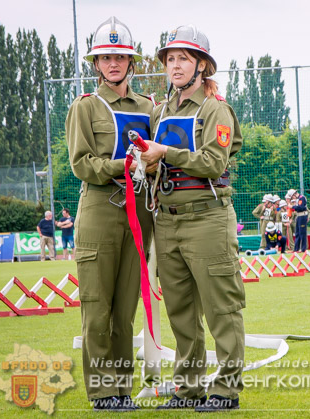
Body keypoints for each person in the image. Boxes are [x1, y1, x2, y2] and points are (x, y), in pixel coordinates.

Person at [138, 25, 244, 412]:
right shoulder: (161, 111)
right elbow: (154, 161)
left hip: (207, 218)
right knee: (181, 312)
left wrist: (166, 152)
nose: (175, 65)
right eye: (170, 59)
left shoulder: (216, 108)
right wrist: (147, 164)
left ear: (202, 65)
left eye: (183, 58)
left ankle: (227, 389)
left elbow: (215, 162)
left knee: (221, 307)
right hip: (167, 220)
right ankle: (188, 388)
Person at [65, 16, 154, 411]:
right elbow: (82, 164)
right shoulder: (85, 107)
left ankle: (122, 389)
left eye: (120, 56)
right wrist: (123, 166)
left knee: (125, 309)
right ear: (96, 64)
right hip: (100, 210)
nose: (113, 63)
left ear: (131, 62)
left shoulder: (151, 107)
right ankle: (103, 393)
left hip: (139, 215)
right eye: (105, 57)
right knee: (97, 307)